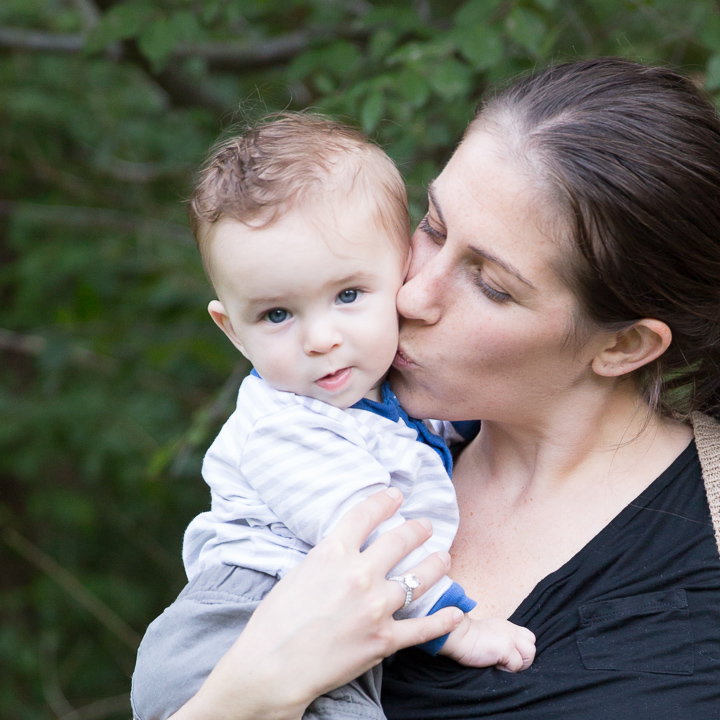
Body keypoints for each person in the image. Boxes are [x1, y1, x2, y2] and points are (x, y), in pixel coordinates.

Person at [142, 57, 720, 719]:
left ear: (622, 345)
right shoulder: (346, 415)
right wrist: (242, 699)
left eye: (492, 285)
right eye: (433, 227)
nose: (413, 294)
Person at [131, 114, 535, 720]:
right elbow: (367, 538)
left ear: (400, 271)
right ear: (231, 329)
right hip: (233, 635)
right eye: (275, 315)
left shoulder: (383, 398)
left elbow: (437, 437)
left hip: (318, 626)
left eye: (348, 295)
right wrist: (458, 625)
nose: (320, 338)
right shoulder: (283, 426)